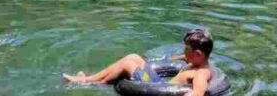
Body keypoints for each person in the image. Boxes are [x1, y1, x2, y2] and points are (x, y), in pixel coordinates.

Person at [63, 29, 215, 96]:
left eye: (186, 49)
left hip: (156, 89)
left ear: (198, 53)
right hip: (158, 83)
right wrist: (165, 59)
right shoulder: (195, 62)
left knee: (128, 64)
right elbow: (177, 59)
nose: (184, 52)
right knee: (134, 57)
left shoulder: (201, 73)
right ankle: (89, 78)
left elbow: (198, 93)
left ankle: (88, 82)